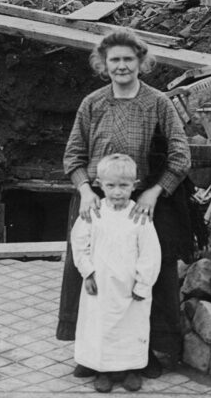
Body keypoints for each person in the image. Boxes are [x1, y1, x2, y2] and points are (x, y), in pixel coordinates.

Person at [57, 29, 192, 380]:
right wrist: (86, 191)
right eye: (114, 59)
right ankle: (92, 352)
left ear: (141, 62)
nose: (121, 66)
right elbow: (73, 155)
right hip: (96, 203)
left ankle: (144, 353)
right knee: (90, 278)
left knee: (149, 278)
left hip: (144, 206)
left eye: (128, 59)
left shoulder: (158, 103)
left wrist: (153, 192)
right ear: (104, 64)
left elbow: (181, 155)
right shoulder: (93, 103)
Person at [71, 153, 161, 393]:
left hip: (131, 288)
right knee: (100, 326)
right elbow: (79, 242)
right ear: (100, 185)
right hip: (101, 285)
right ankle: (102, 369)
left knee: (132, 327)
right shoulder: (95, 212)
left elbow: (150, 253)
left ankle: (131, 368)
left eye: (124, 186)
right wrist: (87, 272)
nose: (118, 192)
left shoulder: (139, 216)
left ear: (135, 185)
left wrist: (143, 284)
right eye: (111, 186)